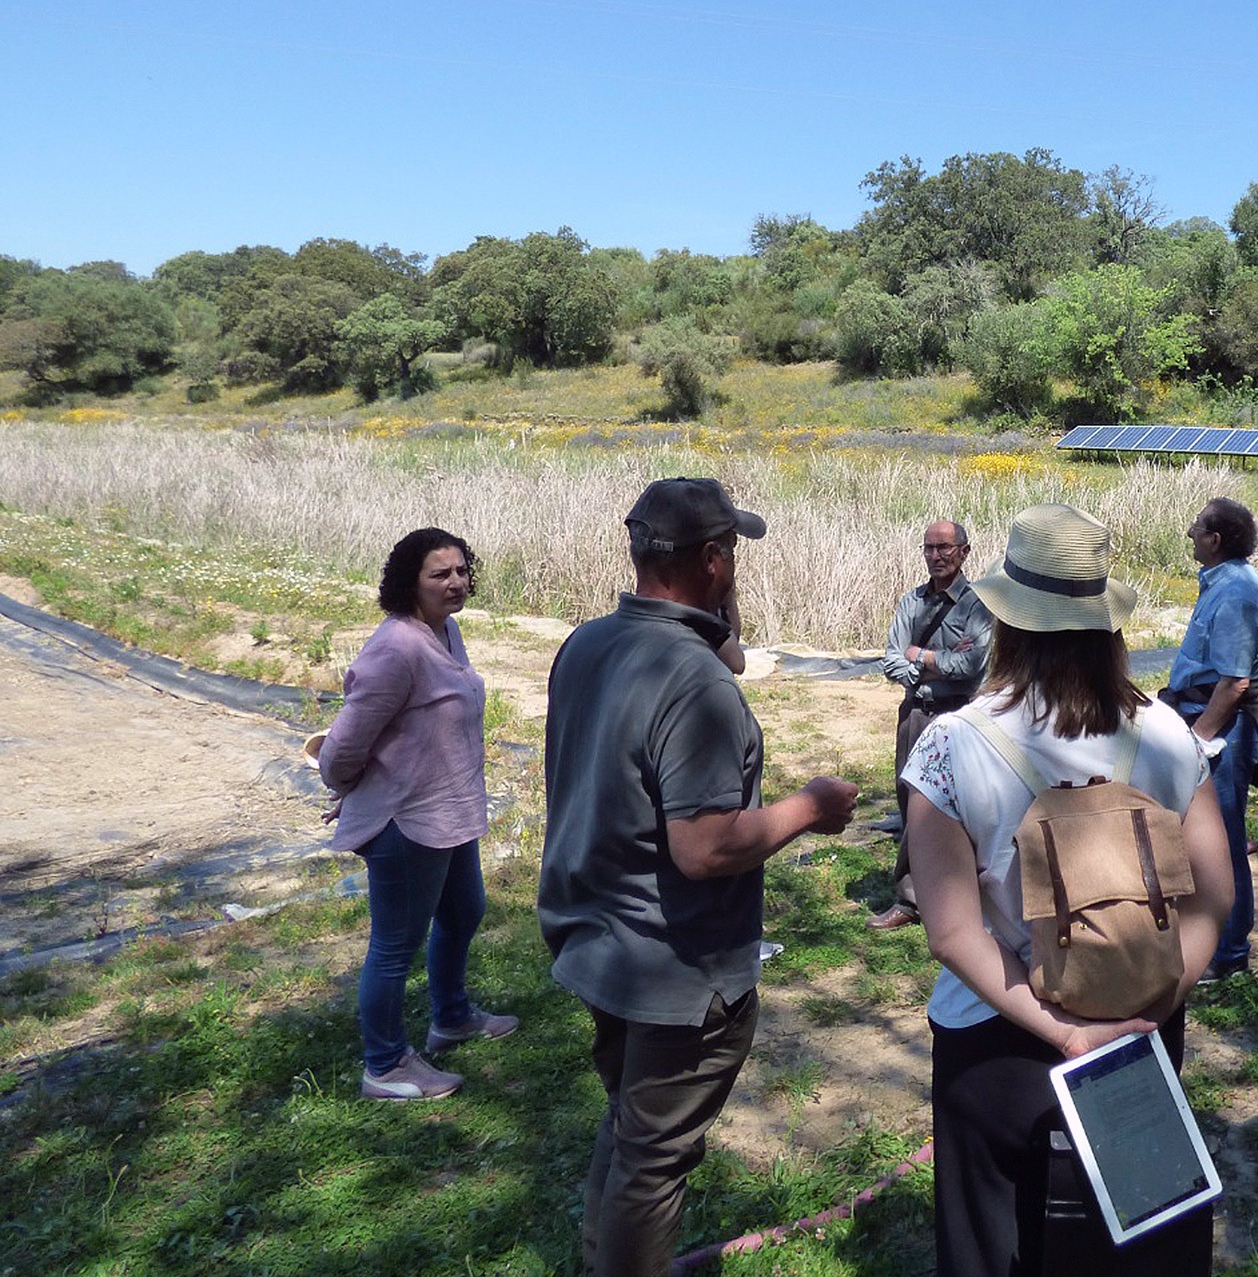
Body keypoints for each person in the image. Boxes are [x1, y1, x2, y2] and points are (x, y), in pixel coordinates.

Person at [902, 503, 1235, 1277]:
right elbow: (1212, 898)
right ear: (1105, 620)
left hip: (993, 1038)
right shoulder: (1168, 736)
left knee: (990, 1244)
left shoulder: (953, 744)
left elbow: (952, 933)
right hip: (1140, 1031)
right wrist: (1149, 1008)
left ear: (1008, 621)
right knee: (1128, 1245)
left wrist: (1062, 1032)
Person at [538, 477, 859, 1277]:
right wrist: (812, 805)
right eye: (732, 555)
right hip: (677, 974)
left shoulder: (590, 644)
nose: (740, 568)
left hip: (600, 947)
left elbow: (726, 653)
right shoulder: (694, 683)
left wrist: (717, 614)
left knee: (630, 1129)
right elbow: (706, 848)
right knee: (653, 1164)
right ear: (712, 558)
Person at [319, 527, 517, 1102]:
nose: (456, 583)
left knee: (464, 913)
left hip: (450, 812)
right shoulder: (396, 649)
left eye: (461, 571)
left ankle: (451, 1017)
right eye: (440, 574)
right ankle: (383, 1065)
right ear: (411, 582)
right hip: (407, 823)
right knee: (394, 947)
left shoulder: (446, 632)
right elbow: (342, 747)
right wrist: (349, 787)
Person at [1160, 497, 1258, 982]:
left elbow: (1234, 683)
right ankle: (1213, 946)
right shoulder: (1223, 585)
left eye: (1197, 526)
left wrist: (1199, 738)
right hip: (1206, 716)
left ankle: (1228, 956)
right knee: (1202, 838)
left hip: (1218, 725)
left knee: (1222, 842)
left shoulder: (1236, 594)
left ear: (1215, 540)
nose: (1189, 532)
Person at [868, 519, 993, 930]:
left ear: (964, 551)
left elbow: (972, 665)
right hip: (918, 713)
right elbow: (890, 659)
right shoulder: (911, 602)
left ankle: (967, 894)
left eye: (944, 548)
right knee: (912, 801)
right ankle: (909, 899)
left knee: (967, 803)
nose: (936, 556)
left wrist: (920, 656)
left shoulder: (978, 604)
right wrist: (935, 666)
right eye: (929, 548)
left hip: (962, 714)